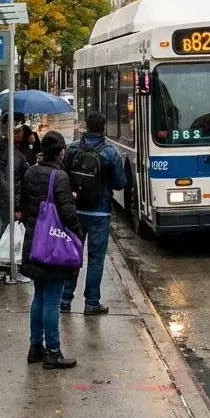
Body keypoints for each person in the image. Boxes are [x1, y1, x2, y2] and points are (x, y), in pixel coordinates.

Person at [19, 131, 82, 370]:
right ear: (61, 152)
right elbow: (67, 215)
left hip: (35, 242)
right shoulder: (60, 176)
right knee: (52, 300)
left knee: (39, 296)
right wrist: (77, 235)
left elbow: (25, 204)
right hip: (54, 247)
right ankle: (53, 352)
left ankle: (35, 346)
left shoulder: (31, 172)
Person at [61, 111, 126, 315]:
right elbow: (120, 183)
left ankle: (65, 299)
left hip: (75, 211)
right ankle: (91, 302)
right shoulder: (110, 152)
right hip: (100, 213)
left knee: (73, 256)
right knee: (96, 259)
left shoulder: (72, 149)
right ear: (104, 127)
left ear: (86, 126)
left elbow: (64, 174)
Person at [0, 115, 31, 282]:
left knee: (5, 232)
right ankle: (10, 268)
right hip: (10, 202)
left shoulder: (5, 151)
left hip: (3, 200)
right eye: (17, 132)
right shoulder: (12, 155)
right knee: (12, 235)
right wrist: (16, 207)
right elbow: (12, 182)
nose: (21, 134)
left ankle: (2, 266)